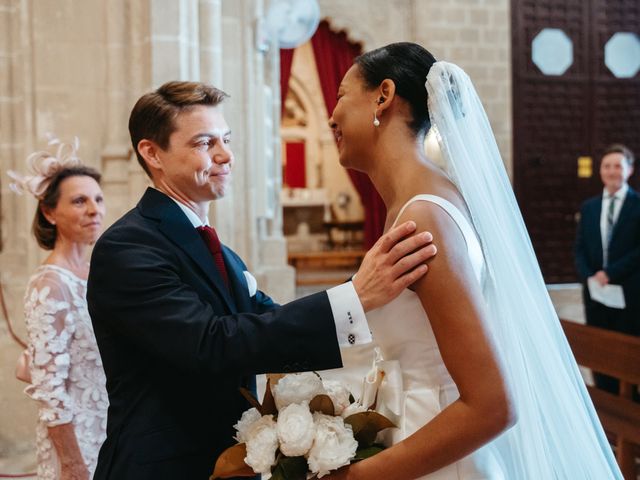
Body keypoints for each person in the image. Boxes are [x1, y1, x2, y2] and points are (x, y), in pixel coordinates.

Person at [86, 81, 436, 479]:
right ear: (152, 153)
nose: (225, 155)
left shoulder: (219, 252)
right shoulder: (129, 247)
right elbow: (211, 344)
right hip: (164, 465)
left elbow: (271, 328)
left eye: (227, 139)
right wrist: (354, 296)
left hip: (225, 461)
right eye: (204, 143)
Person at [319, 42, 622, 479]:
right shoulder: (418, 204)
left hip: (444, 458)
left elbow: (494, 405)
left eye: (342, 95)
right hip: (419, 436)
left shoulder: (424, 216)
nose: (332, 116)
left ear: (383, 96)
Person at [8, 137, 108, 480]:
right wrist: (72, 463)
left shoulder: (99, 274)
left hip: (115, 430)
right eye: (80, 201)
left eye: (98, 199)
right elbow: (49, 388)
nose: (94, 209)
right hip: (78, 441)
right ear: (50, 212)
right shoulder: (50, 285)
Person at [575, 144, 640, 393]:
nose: (612, 171)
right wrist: (588, 275)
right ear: (600, 171)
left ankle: (629, 402)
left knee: (626, 352)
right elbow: (580, 247)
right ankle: (605, 396)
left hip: (628, 292)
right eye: (607, 166)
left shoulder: (637, 205)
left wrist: (610, 273)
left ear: (629, 169)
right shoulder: (589, 207)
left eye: (618, 166)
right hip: (595, 292)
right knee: (598, 349)